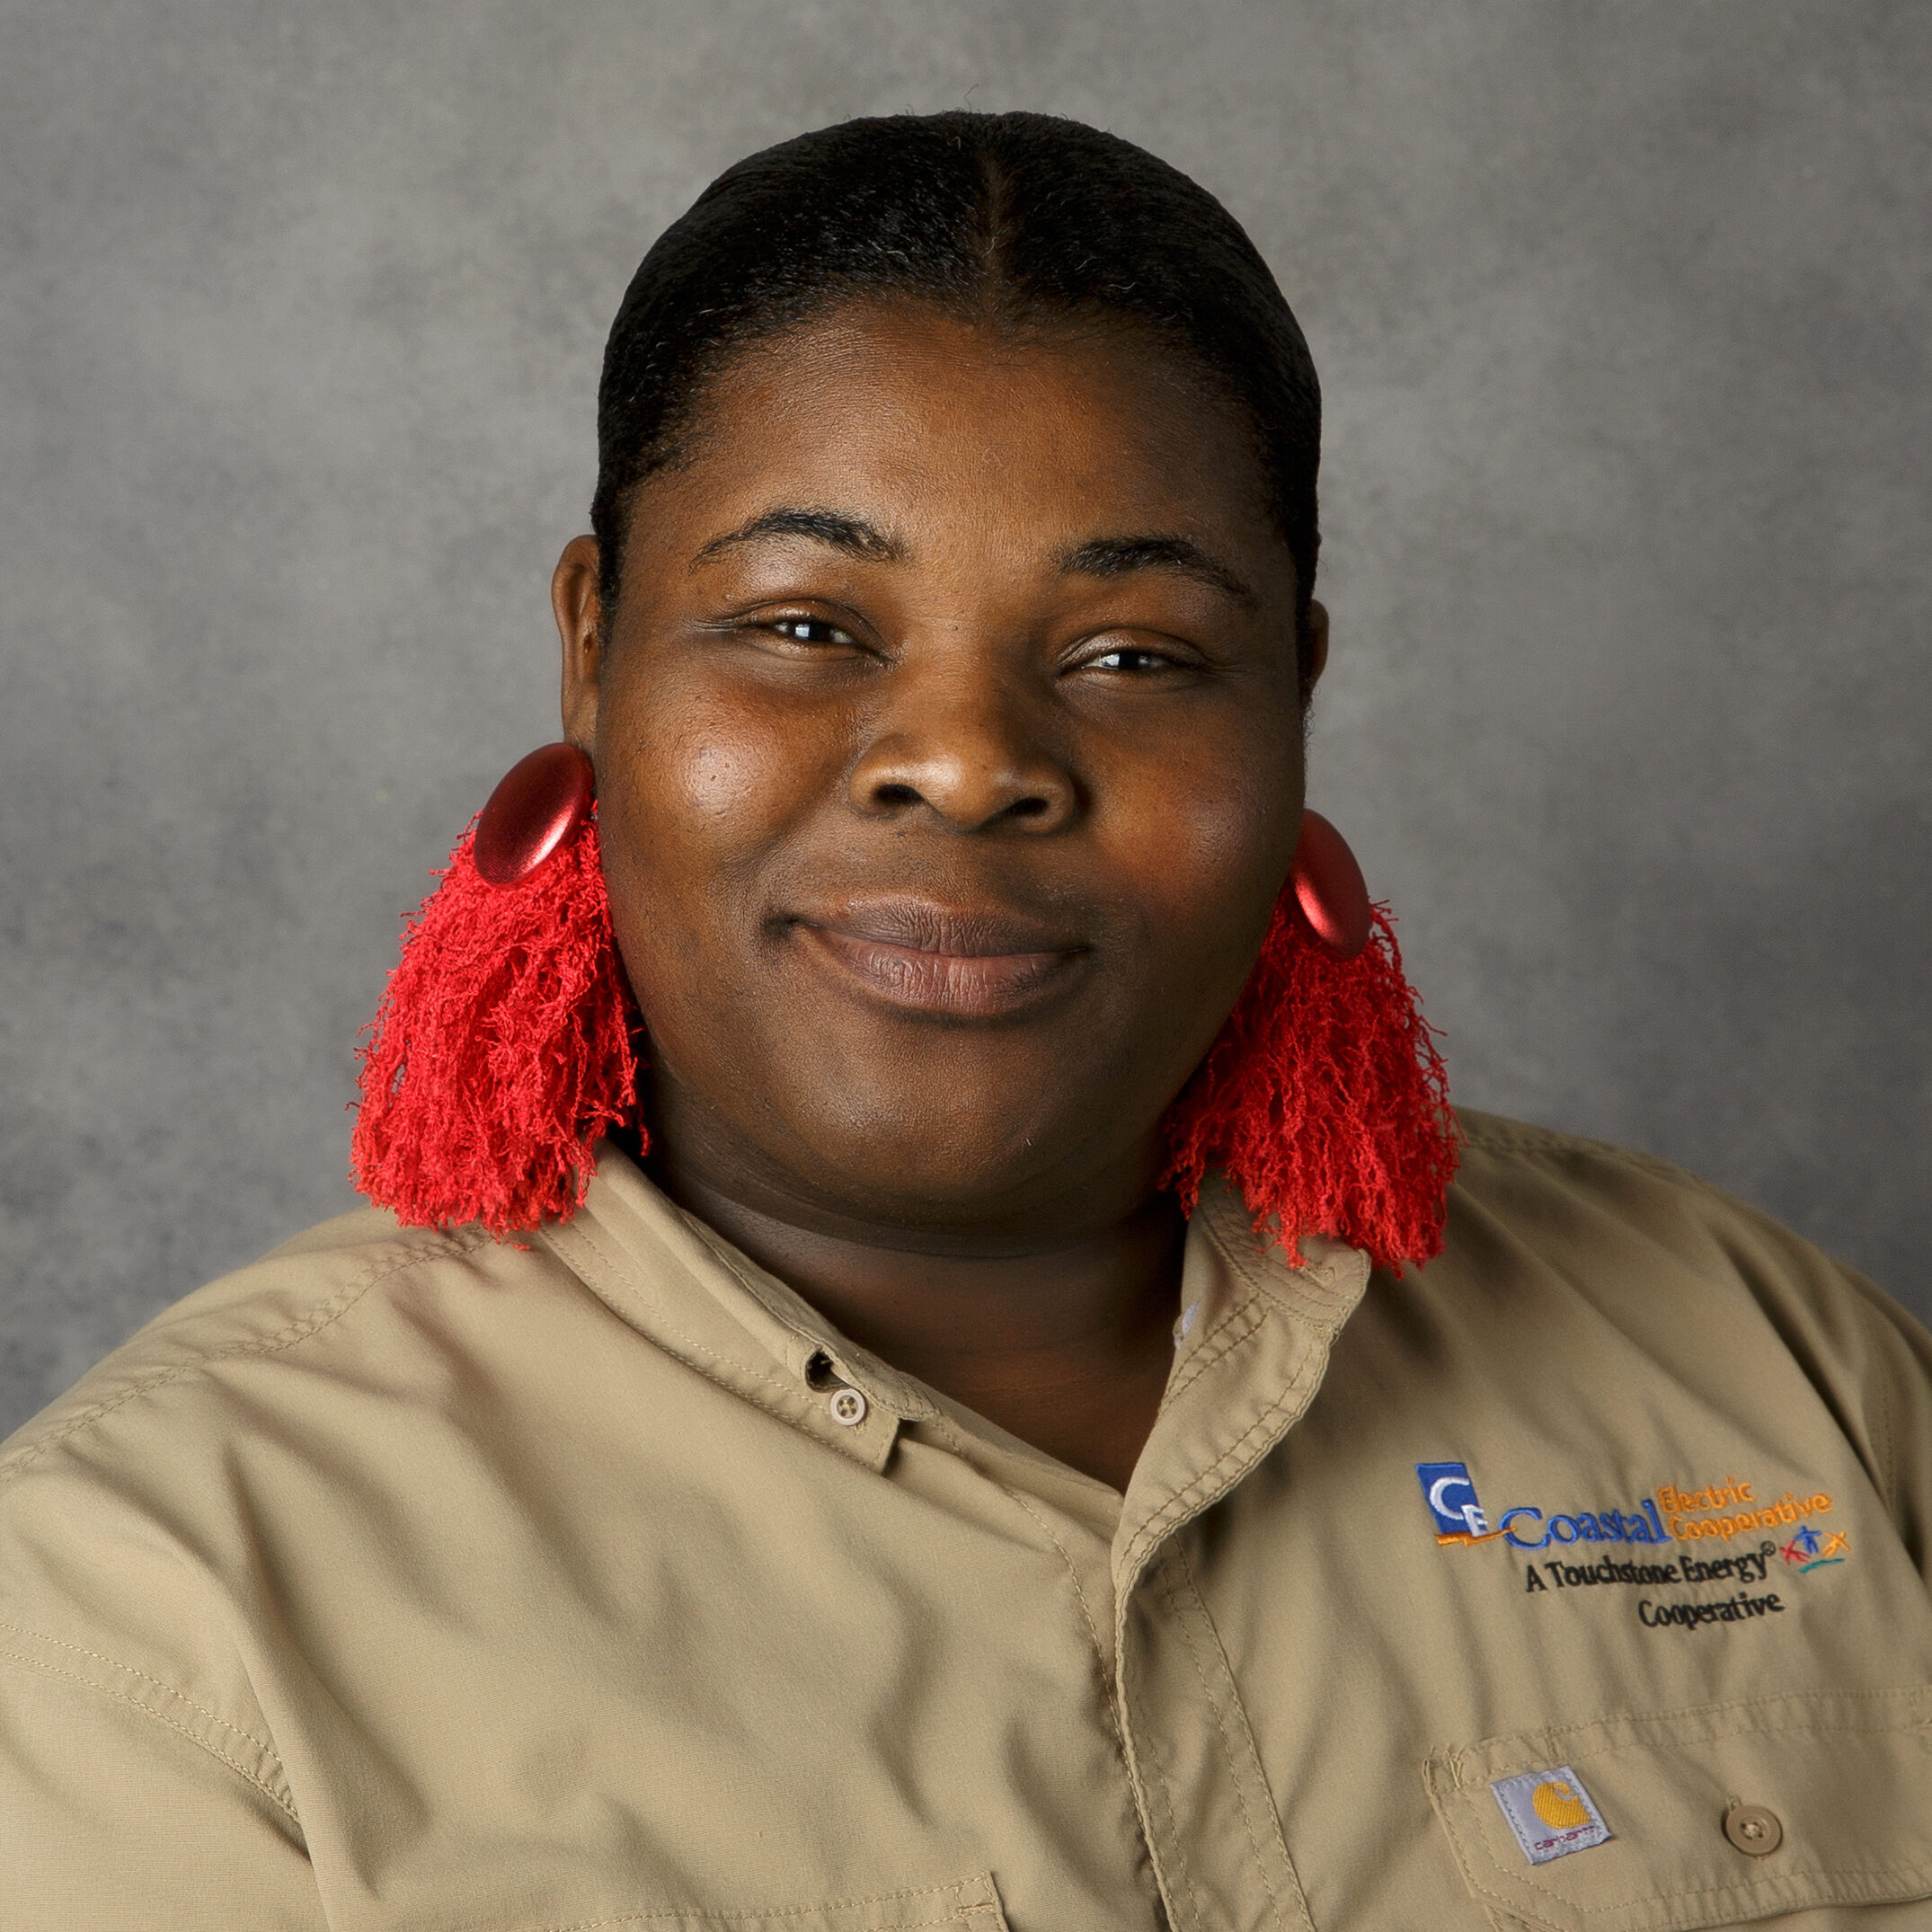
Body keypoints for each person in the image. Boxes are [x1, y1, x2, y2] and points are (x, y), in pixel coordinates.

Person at [4, 111, 1929, 1932]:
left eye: (1132, 655)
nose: (967, 760)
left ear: (1294, 695)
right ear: (592, 645)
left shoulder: (1784, 1372)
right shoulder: (149, 1612)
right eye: (805, 626)